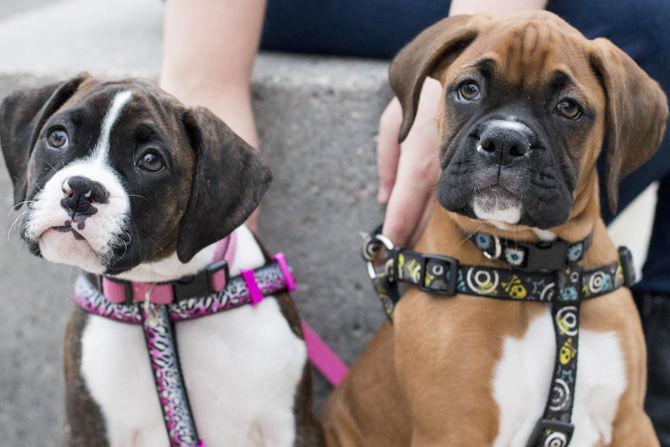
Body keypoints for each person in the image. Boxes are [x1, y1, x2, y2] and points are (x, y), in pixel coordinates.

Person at [160, 0, 670, 443]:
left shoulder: (606, 297)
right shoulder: (445, 316)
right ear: (430, 84)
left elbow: (625, 433)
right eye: (471, 90)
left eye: (567, 109)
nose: (505, 140)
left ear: (618, 134)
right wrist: (225, 270)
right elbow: (201, 76)